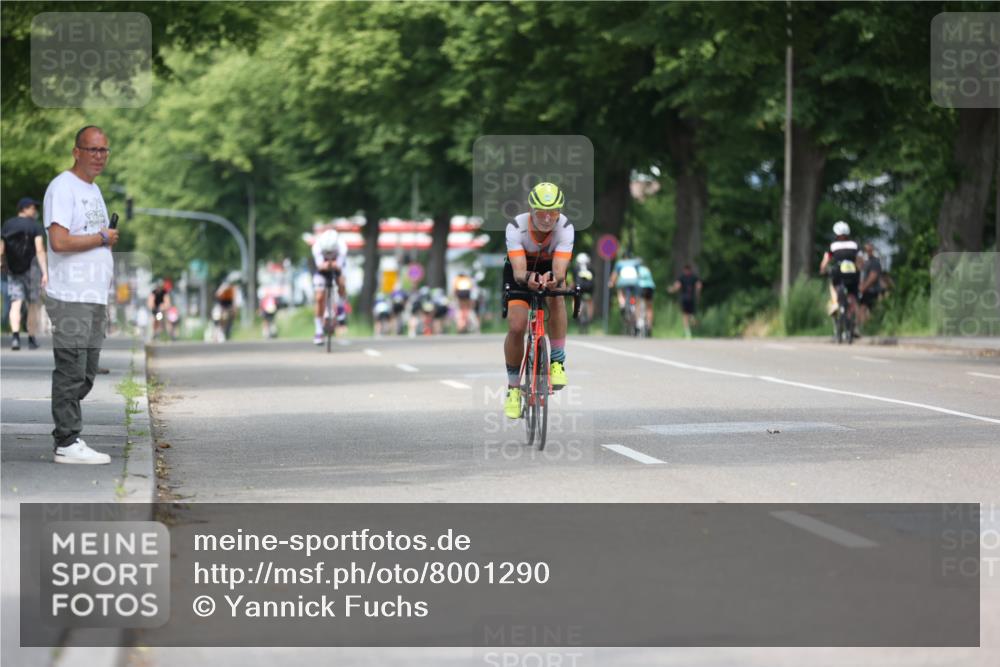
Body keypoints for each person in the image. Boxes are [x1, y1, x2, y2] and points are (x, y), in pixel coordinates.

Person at [42, 125, 118, 464]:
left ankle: (68, 436)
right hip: (71, 295)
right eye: (92, 150)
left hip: (93, 295)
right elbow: (59, 241)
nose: (99, 156)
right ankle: (67, 441)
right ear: (76, 152)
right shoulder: (63, 188)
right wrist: (102, 239)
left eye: (103, 150)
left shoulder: (93, 189)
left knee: (86, 373)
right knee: (71, 370)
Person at [503, 182, 574, 420]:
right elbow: (519, 271)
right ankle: (513, 389)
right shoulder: (516, 226)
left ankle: (557, 362)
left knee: (557, 294)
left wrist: (554, 278)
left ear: (560, 211)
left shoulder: (565, 227)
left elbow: (560, 269)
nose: (547, 218)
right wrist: (528, 278)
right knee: (516, 326)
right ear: (532, 210)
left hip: (549, 267)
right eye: (542, 212)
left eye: (553, 212)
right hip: (520, 270)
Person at [1, 197, 48, 350]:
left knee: (16, 302)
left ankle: (15, 338)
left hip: (14, 270)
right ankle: (31, 339)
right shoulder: (35, 226)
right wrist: (45, 272)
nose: (35, 211)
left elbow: (1, 246)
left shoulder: (8, 224)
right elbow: (40, 249)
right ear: (25, 208)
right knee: (32, 305)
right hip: (32, 271)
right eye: (34, 208)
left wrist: (1, 262)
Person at [818, 221, 861, 335]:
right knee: (853, 297)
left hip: (838, 274)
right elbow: (860, 261)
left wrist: (822, 270)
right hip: (853, 274)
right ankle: (855, 324)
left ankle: (836, 304)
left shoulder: (833, 246)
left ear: (836, 234)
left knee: (834, 286)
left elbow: (825, 261)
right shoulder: (854, 245)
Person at [311, 229, 348, 345]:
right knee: (319, 297)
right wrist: (326, 265)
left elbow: (340, 266)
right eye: (327, 252)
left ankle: (341, 307)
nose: (329, 254)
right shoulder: (316, 247)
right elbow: (320, 266)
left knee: (341, 282)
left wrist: (334, 266)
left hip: (338, 267)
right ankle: (318, 330)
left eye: (331, 251)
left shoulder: (342, 247)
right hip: (322, 269)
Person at [608, 251, 642, 333]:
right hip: (634, 282)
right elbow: (639, 274)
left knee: (620, 292)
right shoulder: (635, 263)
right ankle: (638, 322)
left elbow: (614, 275)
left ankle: (622, 304)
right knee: (637, 302)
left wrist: (611, 282)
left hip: (623, 282)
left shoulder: (619, 263)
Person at [668, 264, 702, 338]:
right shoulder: (694, 277)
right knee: (691, 313)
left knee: (684, 315)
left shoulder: (682, 277)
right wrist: (698, 294)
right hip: (691, 298)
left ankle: (687, 332)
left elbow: (677, 286)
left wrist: (671, 290)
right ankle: (692, 319)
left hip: (684, 298)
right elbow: (699, 286)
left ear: (684, 270)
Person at [858, 242, 882, 330]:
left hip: (872, 290)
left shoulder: (875, 262)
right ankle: (864, 328)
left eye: (868, 250)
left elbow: (873, 277)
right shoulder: (866, 262)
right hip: (865, 291)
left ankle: (869, 329)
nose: (867, 252)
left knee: (867, 309)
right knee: (863, 309)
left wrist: (863, 287)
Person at [571, 253, 594, 331]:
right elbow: (594, 279)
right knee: (590, 301)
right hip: (589, 288)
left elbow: (574, 281)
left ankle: (576, 314)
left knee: (575, 299)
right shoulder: (590, 268)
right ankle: (590, 318)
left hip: (579, 287)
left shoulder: (576, 268)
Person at [637, 260, 656, 334]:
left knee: (637, 305)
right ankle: (649, 326)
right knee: (649, 308)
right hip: (650, 287)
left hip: (640, 287)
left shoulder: (637, 269)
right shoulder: (647, 270)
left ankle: (638, 324)